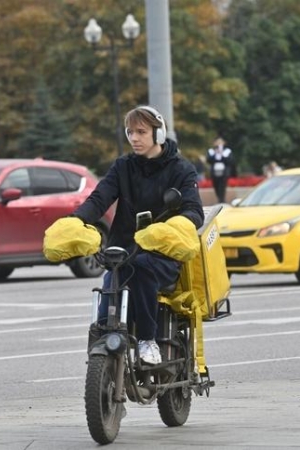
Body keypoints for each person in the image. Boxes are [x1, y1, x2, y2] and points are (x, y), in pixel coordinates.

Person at [69, 105, 204, 365]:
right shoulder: (123, 166)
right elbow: (100, 198)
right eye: (130, 132)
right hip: (125, 251)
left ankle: (147, 340)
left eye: (141, 132)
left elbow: (194, 211)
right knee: (111, 280)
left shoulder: (181, 170)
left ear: (159, 134)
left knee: (141, 268)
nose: (134, 138)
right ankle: (103, 338)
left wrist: (171, 228)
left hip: (162, 256)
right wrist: (75, 221)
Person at [206, 137, 233, 203]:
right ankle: (219, 198)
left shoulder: (227, 151)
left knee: (222, 185)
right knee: (216, 185)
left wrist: (221, 154)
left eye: (220, 142)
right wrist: (215, 154)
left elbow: (230, 161)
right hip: (214, 171)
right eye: (217, 142)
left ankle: (222, 200)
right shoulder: (211, 151)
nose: (219, 144)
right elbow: (208, 160)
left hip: (224, 171)